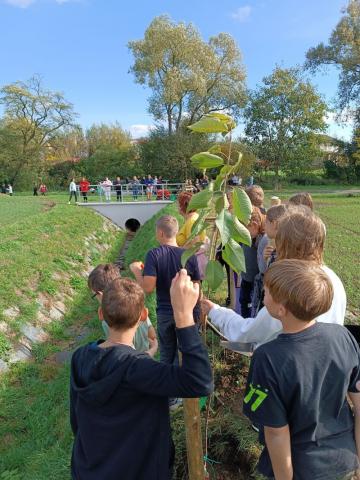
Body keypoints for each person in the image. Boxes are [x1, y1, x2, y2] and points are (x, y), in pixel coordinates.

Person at [70, 272, 213, 480]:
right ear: (144, 315)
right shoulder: (142, 369)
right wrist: (183, 315)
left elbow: (77, 420)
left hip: (89, 469)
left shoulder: (80, 357)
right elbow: (201, 381)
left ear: (101, 314)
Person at [243, 259, 360, 480]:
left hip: (301, 468)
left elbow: (276, 431)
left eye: (266, 292)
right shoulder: (342, 336)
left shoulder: (267, 358)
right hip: (345, 459)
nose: (263, 295)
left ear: (281, 308)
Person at [201, 209, 347, 347]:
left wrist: (215, 311)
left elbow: (248, 333)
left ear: (286, 245)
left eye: (279, 241)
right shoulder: (333, 280)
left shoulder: (288, 289)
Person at [130, 215, 201, 407]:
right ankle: (190, 394)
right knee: (188, 351)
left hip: (165, 313)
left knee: (167, 353)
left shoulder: (154, 254)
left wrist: (136, 270)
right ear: (176, 232)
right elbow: (197, 290)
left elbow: (148, 287)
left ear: (161, 233)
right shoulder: (189, 255)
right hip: (188, 313)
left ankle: (171, 397)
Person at [88, 263, 157, 356]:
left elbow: (118, 348)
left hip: (130, 364)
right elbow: (152, 334)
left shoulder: (108, 320)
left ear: (100, 294)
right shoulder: (135, 303)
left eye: (94, 295)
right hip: (145, 356)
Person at [252, 204, 288, 316]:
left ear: (275, 224)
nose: (264, 225)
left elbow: (263, 270)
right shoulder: (267, 240)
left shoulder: (281, 244)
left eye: (266, 222)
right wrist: (265, 257)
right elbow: (263, 268)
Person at [238, 207, 266, 317]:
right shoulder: (249, 236)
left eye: (244, 230)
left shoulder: (262, 240)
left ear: (254, 225)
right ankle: (245, 320)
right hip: (246, 277)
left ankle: (252, 322)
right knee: (244, 300)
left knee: (254, 303)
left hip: (256, 280)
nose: (242, 234)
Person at [176, 191, 208, 280]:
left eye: (178, 204)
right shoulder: (192, 218)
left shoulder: (192, 221)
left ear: (183, 205)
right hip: (192, 262)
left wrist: (176, 252)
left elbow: (194, 245)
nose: (177, 207)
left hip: (191, 265)